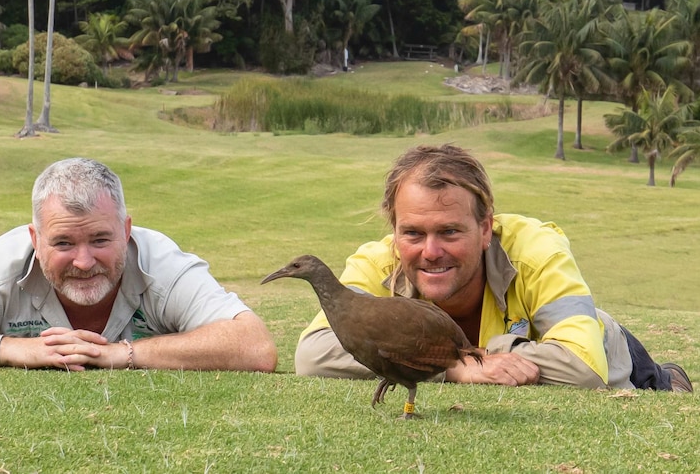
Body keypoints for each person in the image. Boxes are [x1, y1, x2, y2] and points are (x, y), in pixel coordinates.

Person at [295, 144, 692, 392]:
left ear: (486, 227)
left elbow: (583, 368)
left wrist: (479, 354)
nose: (430, 251)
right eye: (413, 232)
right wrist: (453, 368)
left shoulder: (537, 251)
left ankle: (669, 378)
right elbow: (313, 355)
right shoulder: (377, 262)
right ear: (394, 229)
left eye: (450, 231)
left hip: (616, 356)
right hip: (516, 350)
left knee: (635, 369)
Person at [0, 158, 277, 372]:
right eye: (63, 242)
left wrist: (122, 355)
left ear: (127, 230)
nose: (84, 261)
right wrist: (11, 350)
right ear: (34, 239)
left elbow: (255, 347)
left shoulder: (163, 264)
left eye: (100, 240)